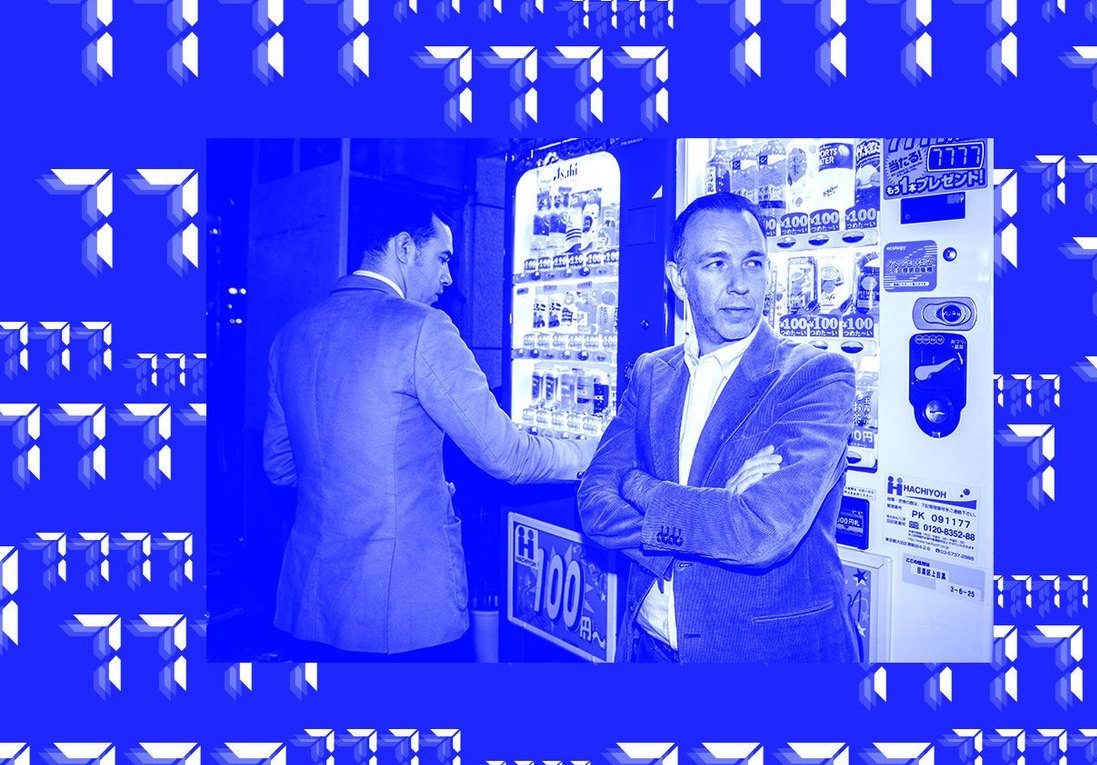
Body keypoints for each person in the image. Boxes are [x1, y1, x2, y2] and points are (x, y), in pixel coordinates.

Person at [263, 198, 594, 660]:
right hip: (402, 607)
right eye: (442, 258)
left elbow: (280, 467)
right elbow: (506, 456)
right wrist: (590, 452)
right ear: (404, 249)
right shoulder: (421, 328)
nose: (449, 278)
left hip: (310, 600)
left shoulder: (292, 334)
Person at [577, 192, 858, 663]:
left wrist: (638, 485)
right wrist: (715, 516)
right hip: (649, 649)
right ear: (678, 279)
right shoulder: (651, 373)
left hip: (764, 662)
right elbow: (593, 503)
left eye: (753, 263)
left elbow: (761, 529)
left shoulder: (816, 376)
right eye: (716, 264)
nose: (740, 285)